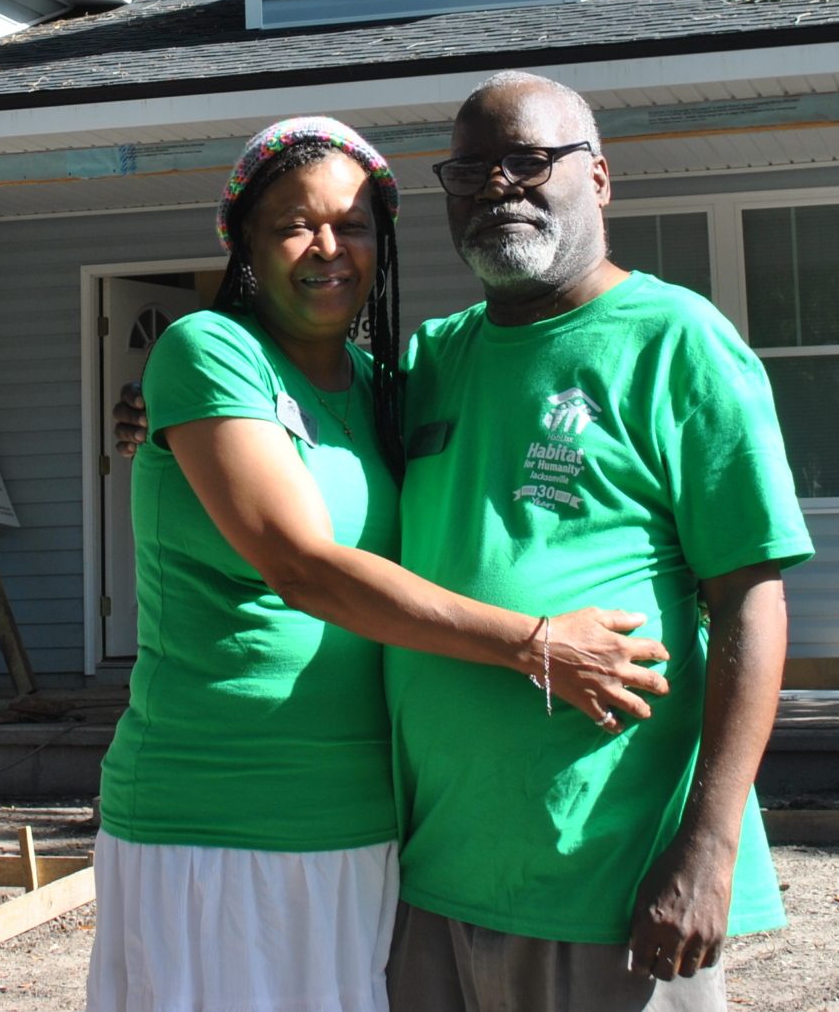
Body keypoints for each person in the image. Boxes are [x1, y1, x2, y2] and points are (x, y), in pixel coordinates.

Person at [87, 116, 673, 1012]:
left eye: (353, 224)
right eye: (294, 224)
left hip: (371, 819)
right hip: (221, 812)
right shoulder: (209, 351)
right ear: (243, 241)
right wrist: (536, 642)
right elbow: (303, 567)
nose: (329, 248)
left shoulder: (380, 384)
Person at [385, 72, 814, 1012]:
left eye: (529, 162)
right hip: (439, 869)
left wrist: (709, 845)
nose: (499, 187)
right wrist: (170, 426)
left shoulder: (677, 343)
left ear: (601, 178)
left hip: (613, 885)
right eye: (470, 172)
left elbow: (751, 602)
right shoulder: (429, 361)